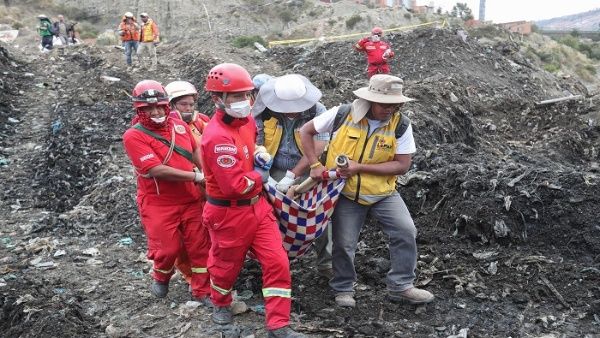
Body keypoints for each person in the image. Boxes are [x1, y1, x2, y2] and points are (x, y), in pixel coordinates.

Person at [299, 74, 434, 308]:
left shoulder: (400, 124)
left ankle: (401, 286)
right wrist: (314, 164)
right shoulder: (343, 114)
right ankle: (343, 288)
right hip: (347, 193)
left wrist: (359, 167)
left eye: (396, 105)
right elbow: (306, 131)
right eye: (386, 105)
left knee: (405, 231)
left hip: (383, 193)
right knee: (344, 242)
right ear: (371, 100)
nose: (391, 109)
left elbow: (402, 165)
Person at [201, 63, 305, 338]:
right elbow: (235, 186)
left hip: (257, 208)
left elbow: (251, 143)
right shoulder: (216, 138)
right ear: (217, 100)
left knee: (277, 262)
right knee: (225, 268)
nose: (244, 102)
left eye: (246, 95)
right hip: (228, 213)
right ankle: (220, 304)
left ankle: (278, 325)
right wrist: (261, 174)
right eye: (235, 96)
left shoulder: (246, 121)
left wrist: (258, 152)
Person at [122, 80, 211, 306]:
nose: (156, 112)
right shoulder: (134, 136)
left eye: (160, 107)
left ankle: (201, 291)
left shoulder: (179, 125)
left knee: (200, 248)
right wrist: (195, 177)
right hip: (159, 203)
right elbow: (154, 170)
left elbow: (194, 149)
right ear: (139, 111)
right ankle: (161, 274)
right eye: (149, 109)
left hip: (190, 199)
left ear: (166, 106)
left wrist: (204, 171)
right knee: (168, 248)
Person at [253, 74, 333, 278]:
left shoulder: (318, 111)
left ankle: (326, 264)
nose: (291, 111)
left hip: (309, 168)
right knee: (272, 215)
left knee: (319, 215)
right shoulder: (265, 111)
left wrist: (292, 176)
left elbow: (318, 147)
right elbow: (257, 141)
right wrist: (265, 174)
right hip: (274, 167)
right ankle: (277, 261)